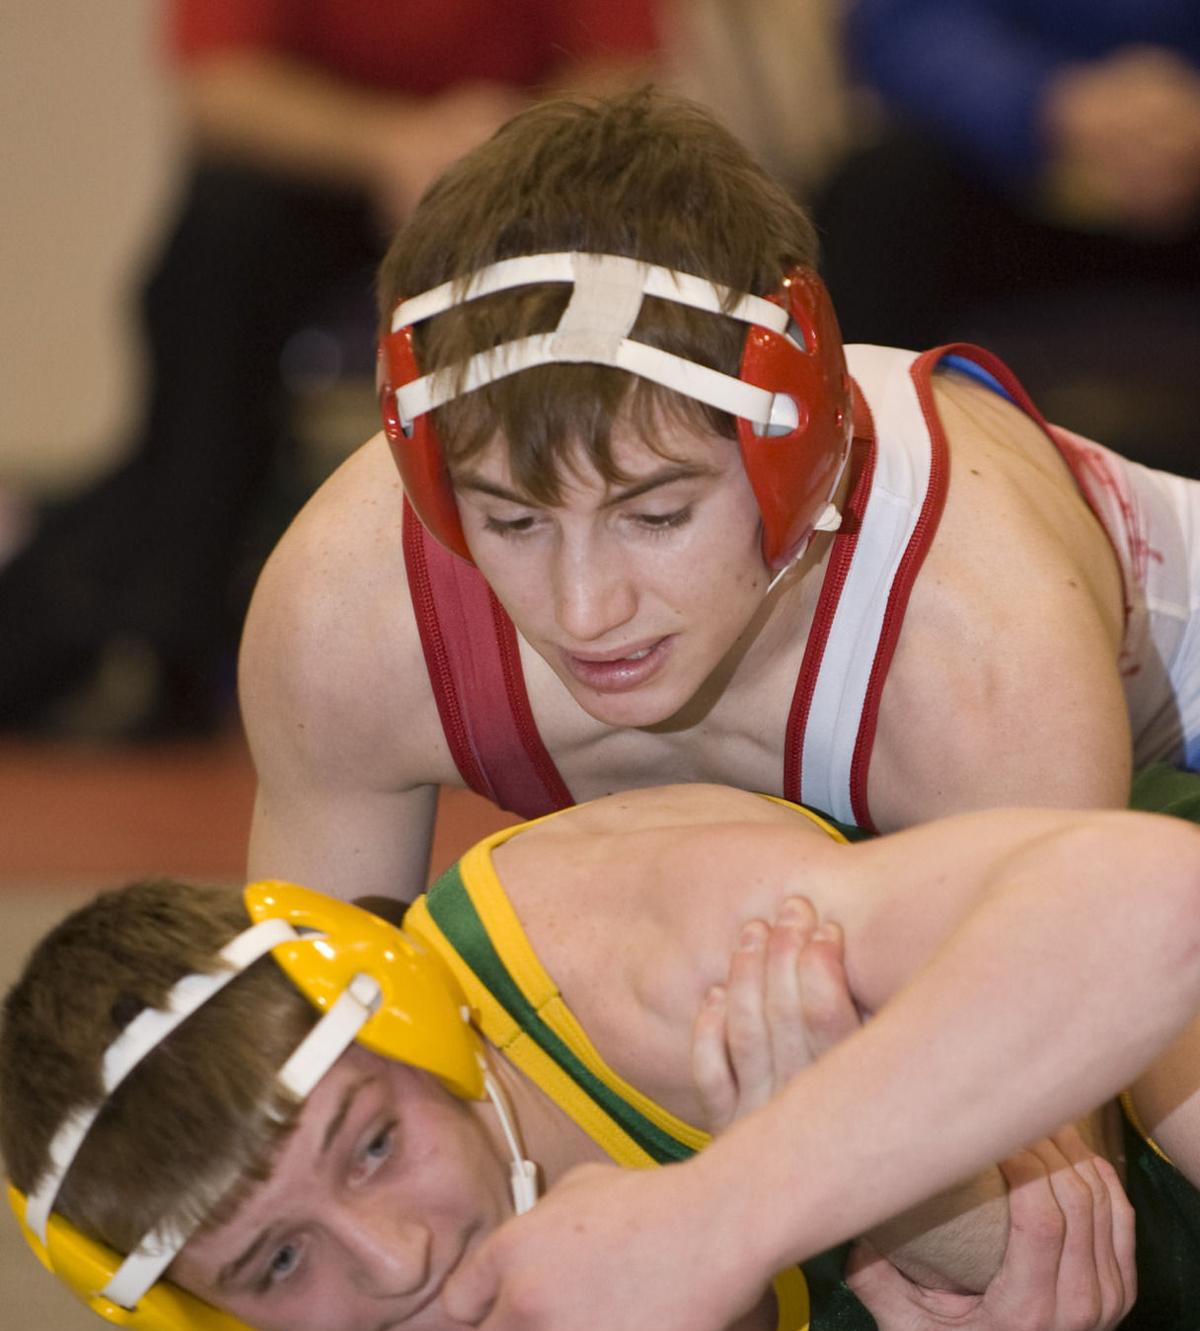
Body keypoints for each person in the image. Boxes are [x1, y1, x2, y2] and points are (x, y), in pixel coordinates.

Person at [6, 773, 1200, 1331]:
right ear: (197, 1321)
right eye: (276, 1262)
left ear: (414, 1014)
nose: (395, 1257)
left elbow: (1160, 902)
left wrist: (723, 1211)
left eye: (372, 1143)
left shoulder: (627, 951)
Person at [242, 86, 1200, 916]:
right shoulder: (350, 612)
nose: (587, 611)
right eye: (513, 521)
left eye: (656, 516)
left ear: (799, 452)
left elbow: (1049, 1089)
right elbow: (309, 1066)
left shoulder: (982, 625)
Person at [0, 0, 659, 738]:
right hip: (319, 184)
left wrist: (504, 145)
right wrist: (390, 142)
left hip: (523, 178)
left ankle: (124, 621)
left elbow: (628, 68)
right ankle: (167, 623)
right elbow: (218, 88)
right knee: (217, 251)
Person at [820, 2, 1200, 471]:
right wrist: (1057, 106)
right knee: (882, 188)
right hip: (1009, 167)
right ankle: (869, 464)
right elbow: (899, 26)